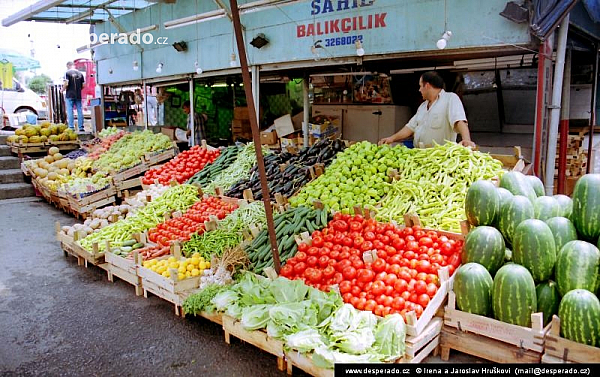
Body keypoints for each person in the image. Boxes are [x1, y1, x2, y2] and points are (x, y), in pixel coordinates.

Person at [379, 71, 475, 148]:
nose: (419, 90)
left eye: (421, 86)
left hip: (440, 157)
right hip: (420, 155)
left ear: (427, 86)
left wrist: (466, 139)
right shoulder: (422, 107)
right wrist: (391, 139)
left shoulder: (450, 99)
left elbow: (459, 121)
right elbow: (410, 127)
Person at [62, 61, 85, 132]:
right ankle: (81, 127)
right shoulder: (80, 73)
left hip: (70, 95)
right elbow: (83, 85)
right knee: (79, 110)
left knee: (70, 111)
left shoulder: (67, 73)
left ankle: (71, 127)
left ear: (68, 66)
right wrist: (78, 89)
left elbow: (66, 83)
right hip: (78, 95)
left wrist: (62, 90)